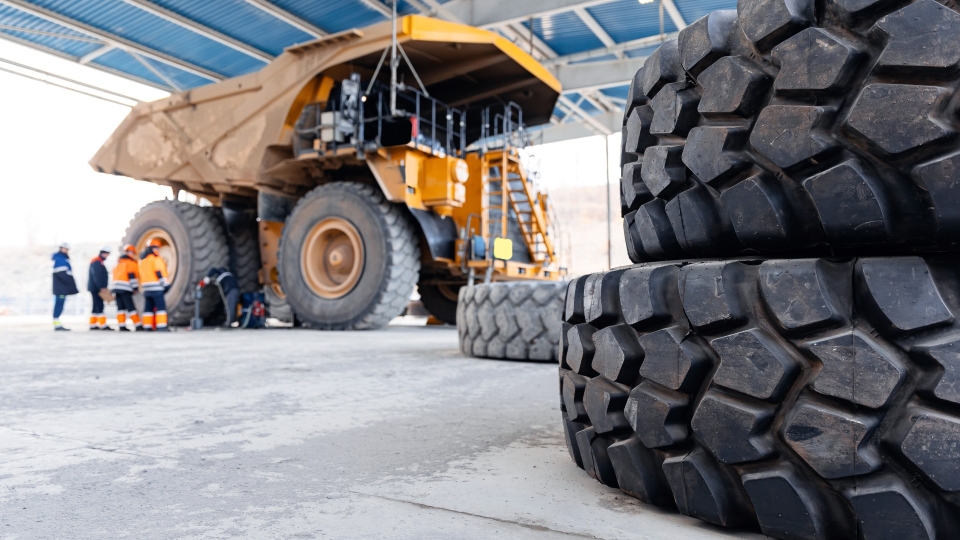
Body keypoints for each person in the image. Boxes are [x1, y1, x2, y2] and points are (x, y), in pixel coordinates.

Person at [139, 239, 170, 332]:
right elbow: (159, 272)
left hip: (146, 289)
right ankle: (161, 326)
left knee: (148, 308)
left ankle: (147, 326)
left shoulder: (142, 261)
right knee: (160, 307)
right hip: (156, 288)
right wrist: (166, 284)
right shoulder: (156, 259)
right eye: (157, 248)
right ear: (153, 248)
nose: (158, 250)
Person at [111, 244, 143, 331]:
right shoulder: (131, 263)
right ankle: (138, 325)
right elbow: (132, 276)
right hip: (125, 288)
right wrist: (135, 288)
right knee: (131, 307)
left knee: (120, 308)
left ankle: (121, 326)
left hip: (116, 289)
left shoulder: (118, 263)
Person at [51, 242, 79, 331]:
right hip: (61, 289)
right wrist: (71, 285)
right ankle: (57, 324)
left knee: (59, 304)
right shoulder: (60, 259)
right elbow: (63, 275)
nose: (67, 251)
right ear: (61, 248)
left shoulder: (62, 259)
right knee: (59, 304)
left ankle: (57, 323)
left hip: (61, 288)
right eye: (66, 249)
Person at [87, 246, 111, 330]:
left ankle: (92, 324)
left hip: (95, 288)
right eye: (106, 254)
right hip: (97, 288)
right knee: (99, 305)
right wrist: (101, 287)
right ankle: (102, 324)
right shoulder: (97, 261)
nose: (107, 256)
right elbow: (97, 276)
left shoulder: (98, 261)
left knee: (95, 306)